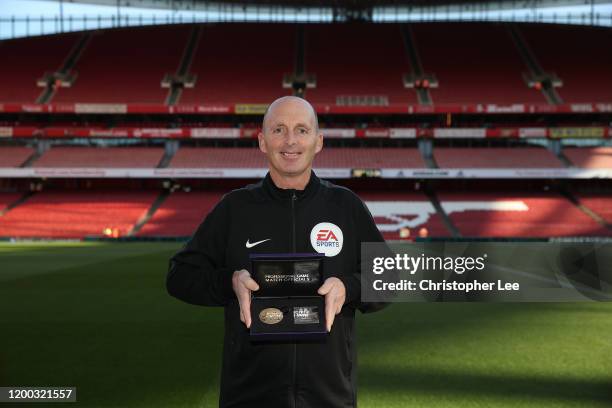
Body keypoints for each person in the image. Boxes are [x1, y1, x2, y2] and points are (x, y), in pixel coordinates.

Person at [167, 96, 386, 408]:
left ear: (318, 141)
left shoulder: (346, 206)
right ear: (262, 141)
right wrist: (228, 281)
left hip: (329, 397)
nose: (290, 141)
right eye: (279, 130)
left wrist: (348, 287)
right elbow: (179, 275)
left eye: (301, 130)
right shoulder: (235, 208)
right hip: (248, 396)